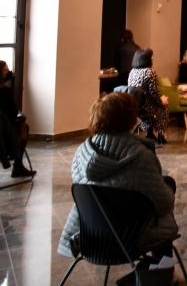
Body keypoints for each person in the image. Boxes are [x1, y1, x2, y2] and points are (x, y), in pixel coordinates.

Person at [58, 92, 179, 263]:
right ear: (130, 119)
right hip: (131, 238)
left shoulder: (81, 154)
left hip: (93, 236)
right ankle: (161, 274)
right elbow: (164, 205)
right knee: (165, 198)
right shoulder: (141, 157)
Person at [128, 48, 170, 145]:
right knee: (164, 107)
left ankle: (149, 132)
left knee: (157, 105)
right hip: (147, 107)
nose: (153, 58)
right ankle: (160, 135)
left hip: (136, 106)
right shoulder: (150, 73)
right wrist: (161, 100)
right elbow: (154, 93)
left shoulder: (132, 72)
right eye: (151, 56)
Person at [0, 61, 35, 177]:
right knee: (24, 126)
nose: (8, 73)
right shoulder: (5, 92)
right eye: (6, 71)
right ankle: (18, 165)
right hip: (4, 131)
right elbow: (14, 112)